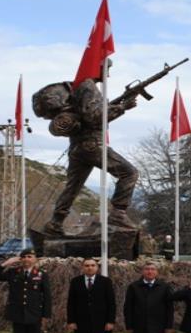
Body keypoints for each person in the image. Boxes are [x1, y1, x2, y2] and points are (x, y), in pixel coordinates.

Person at [40, 73, 140, 236]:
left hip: (77, 148)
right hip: (92, 145)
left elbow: (89, 114)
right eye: (106, 68)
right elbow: (95, 117)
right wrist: (123, 108)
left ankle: (55, 223)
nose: (107, 73)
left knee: (72, 188)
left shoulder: (77, 91)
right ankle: (118, 214)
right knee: (129, 173)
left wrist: (118, 104)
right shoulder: (88, 87)